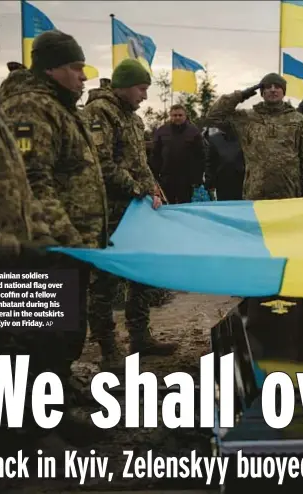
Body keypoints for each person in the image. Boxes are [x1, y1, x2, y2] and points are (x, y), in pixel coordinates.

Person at [0, 3, 79, 489]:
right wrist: (14, 248)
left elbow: (18, 186)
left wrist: (45, 239)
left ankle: (26, 445)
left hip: (8, 272)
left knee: (24, 361)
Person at [0, 29, 110, 442]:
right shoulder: (28, 107)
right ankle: (36, 430)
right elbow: (31, 179)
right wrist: (67, 238)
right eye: (76, 68)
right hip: (41, 249)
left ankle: (53, 404)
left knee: (60, 336)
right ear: (51, 68)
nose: (83, 77)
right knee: (36, 339)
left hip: (64, 246)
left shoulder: (58, 106)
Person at [83, 59, 174, 370]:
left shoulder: (133, 120)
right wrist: (139, 189)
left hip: (136, 211)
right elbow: (101, 163)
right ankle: (108, 348)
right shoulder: (100, 112)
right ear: (123, 86)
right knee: (105, 281)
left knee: (141, 272)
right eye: (141, 89)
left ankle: (140, 336)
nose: (144, 96)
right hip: (108, 210)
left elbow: (141, 163)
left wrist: (154, 188)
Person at [206, 73, 303, 200]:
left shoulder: (298, 120)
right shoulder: (247, 118)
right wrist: (240, 95)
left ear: (283, 91)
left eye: (277, 86)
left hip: (289, 194)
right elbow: (213, 116)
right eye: (268, 87)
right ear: (262, 92)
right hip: (255, 194)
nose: (272, 89)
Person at [151, 104, 205, 204]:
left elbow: (200, 156)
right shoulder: (162, 131)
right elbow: (156, 155)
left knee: (185, 206)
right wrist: (154, 176)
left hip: (186, 180)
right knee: (166, 207)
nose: (177, 118)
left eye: (180, 115)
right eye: (174, 115)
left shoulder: (194, 132)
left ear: (185, 116)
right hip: (166, 178)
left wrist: (198, 179)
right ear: (170, 116)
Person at [204, 123, 245, 200]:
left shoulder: (245, 137)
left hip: (242, 180)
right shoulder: (214, 139)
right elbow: (210, 162)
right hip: (222, 181)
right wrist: (209, 182)